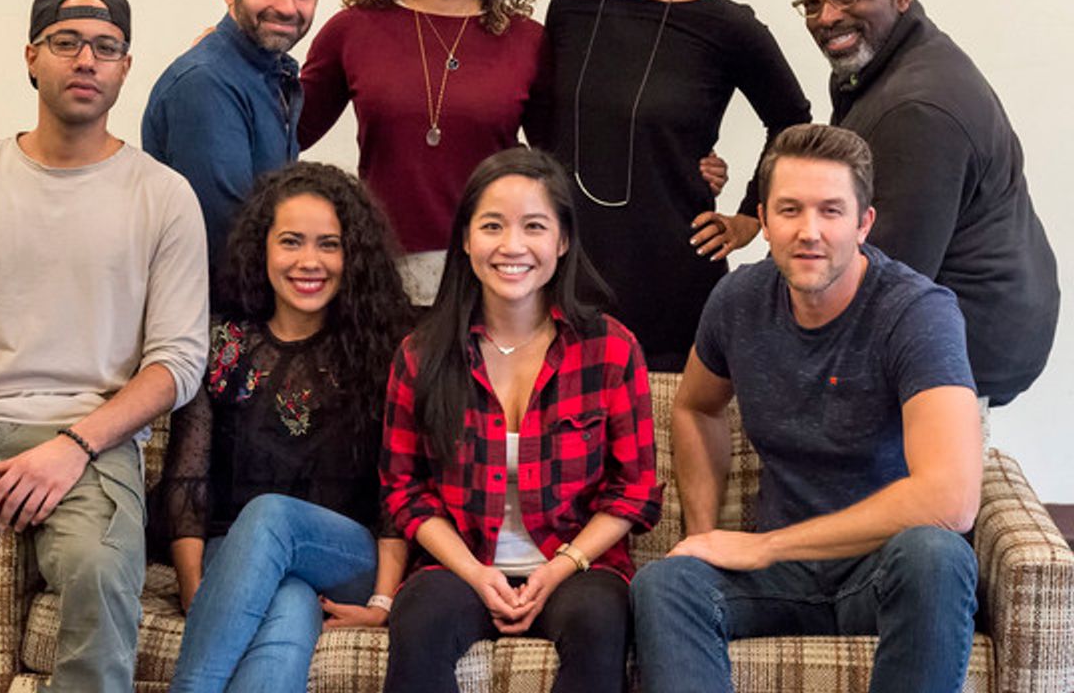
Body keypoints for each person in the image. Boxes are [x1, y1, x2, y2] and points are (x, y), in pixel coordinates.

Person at [0, 0, 209, 693]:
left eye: (105, 47)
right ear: (32, 58)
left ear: (125, 67)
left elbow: (178, 362)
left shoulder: (163, 196)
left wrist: (74, 446)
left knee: (96, 572)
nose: (86, 59)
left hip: (90, 440)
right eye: (66, 43)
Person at [631, 124, 982, 693]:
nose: (809, 232)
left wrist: (764, 544)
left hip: (882, 568)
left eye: (832, 211)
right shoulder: (739, 301)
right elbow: (696, 408)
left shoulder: (917, 313)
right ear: (764, 219)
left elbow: (951, 499)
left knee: (936, 553)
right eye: (790, 211)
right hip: (777, 580)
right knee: (665, 583)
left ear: (864, 223)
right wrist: (702, 537)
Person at [381, 146, 662, 693]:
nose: (512, 246)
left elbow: (636, 490)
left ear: (561, 242)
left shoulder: (611, 349)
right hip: (462, 565)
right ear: (465, 240)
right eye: (492, 226)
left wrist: (557, 567)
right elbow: (403, 490)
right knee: (418, 620)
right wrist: (474, 572)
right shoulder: (420, 354)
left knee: (600, 621)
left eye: (534, 226)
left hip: (577, 567)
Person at [540, 0, 811, 371]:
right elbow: (547, 126)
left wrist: (749, 218)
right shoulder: (571, 6)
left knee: (672, 451)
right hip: (567, 277)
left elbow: (794, 121)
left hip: (673, 288)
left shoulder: (726, 26)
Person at [160, 162, 415, 693]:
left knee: (273, 515)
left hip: (349, 554)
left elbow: (400, 492)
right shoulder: (223, 346)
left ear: (352, 255)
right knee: (290, 605)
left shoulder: (386, 350)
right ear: (264, 249)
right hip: (233, 553)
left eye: (329, 245)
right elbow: (189, 485)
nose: (309, 261)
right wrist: (196, 589)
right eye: (292, 242)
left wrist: (382, 602)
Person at [795, 0, 1058, 407]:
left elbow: (884, 273)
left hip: (967, 348)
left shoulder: (915, 109)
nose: (827, 17)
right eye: (812, 4)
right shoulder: (883, 65)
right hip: (973, 323)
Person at [297, 0, 548, 303]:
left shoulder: (527, 40)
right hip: (380, 278)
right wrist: (239, 57)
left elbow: (563, 162)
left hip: (492, 277)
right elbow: (282, 132)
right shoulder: (353, 30)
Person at [143, 0, 329, 287]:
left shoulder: (274, 73)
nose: (287, 7)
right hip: (218, 323)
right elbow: (234, 242)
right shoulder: (206, 85)